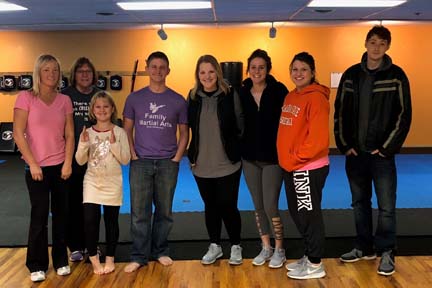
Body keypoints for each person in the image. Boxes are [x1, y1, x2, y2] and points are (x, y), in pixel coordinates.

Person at [334, 25, 412, 276]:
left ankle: (387, 251)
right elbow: (339, 113)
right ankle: (364, 246)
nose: (376, 47)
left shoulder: (397, 76)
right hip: (355, 155)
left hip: (381, 156)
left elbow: (403, 115)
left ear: (388, 46)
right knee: (359, 203)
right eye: (373, 42)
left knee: (387, 206)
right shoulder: (351, 75)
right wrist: (345, 145)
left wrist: (387, 148)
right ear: (365, 43)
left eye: (382, 43)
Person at [123, 51, 188, 272]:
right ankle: (139, 255)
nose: (158, 71)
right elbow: (127, 129)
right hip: (140, 162)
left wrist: (177, 158)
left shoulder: (178, 100)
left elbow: (184, 133)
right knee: (139, 212)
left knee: (165, 212)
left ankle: (160, 251)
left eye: (162, 67)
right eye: (154, 66)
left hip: (167, 163)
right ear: (147, 69)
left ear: (168, 70)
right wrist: (133, 154)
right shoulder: (134, 99)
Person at [13, 54, 74, 282]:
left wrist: (68, 162)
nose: (52, 74)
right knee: (39, 216)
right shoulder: (25, 97)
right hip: (36, 168)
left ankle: (60, 260)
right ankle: (36, 264)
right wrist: (33, 163)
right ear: (38, 72)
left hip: (60, 167)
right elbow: (19, 134)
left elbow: (69, 133)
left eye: (55, 70)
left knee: (61, 215)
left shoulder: (64, 100)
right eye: (47, 70)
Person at [277, 52, 330, 279]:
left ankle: (316, 263)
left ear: (312, 73)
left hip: (308, 167)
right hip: (292, 167)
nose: (298, 74)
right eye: (295, 69)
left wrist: (295, 157)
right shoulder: (291, 96)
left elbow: (317, 140)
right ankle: (309, 255)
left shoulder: (316, 98)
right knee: (297, 213)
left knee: (309, 215)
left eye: (303, 69)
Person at [187, 55, 244, 265]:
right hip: (201, 163)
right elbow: (188, 128)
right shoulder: (192, 97)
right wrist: (191, 154)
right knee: (210, 206)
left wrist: (235, 149)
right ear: (197, 75)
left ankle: (236, 245)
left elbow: (241, 123)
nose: (207, 76)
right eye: (202, 72)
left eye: (211, 71)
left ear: (217, 73)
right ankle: (215, 246)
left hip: (227, 162)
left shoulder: (230, 94)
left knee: (228, 205)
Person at [239, 49, 288, 268]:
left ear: (268, 69)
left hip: (273, 158)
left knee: (270, 206)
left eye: (261, 67)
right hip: (249, 158)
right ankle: (265, 246)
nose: (257, 71)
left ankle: (280, 248)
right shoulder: (241, 92)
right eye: (253, 67)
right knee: (258, 205)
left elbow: (289, 122)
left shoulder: (279, 90)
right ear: (248, 69)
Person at [75, 91, 130, 274]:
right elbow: (80, 161)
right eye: (98, 107)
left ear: (112, 108)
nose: (102, 110)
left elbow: (125, 160)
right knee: (90, 220)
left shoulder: (120, 132)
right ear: (92, 110)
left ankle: (110, 258)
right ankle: (93, 258)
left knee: (111, 221)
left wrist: (114, 144)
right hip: (92, 182)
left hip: (113, 182)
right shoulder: (88, 133)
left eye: (106, 106)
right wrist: (83, 144)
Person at [62, 57, 100, 262]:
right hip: (70, 159)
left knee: (92, 206)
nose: (85, 75)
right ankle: (75, 246)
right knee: (72, 205)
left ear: (93, 74)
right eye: (80, 71)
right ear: (74, 75)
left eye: (88, 71)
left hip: (95, 161)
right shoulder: (65, 96)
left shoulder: (99, 95)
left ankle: (92, 245)